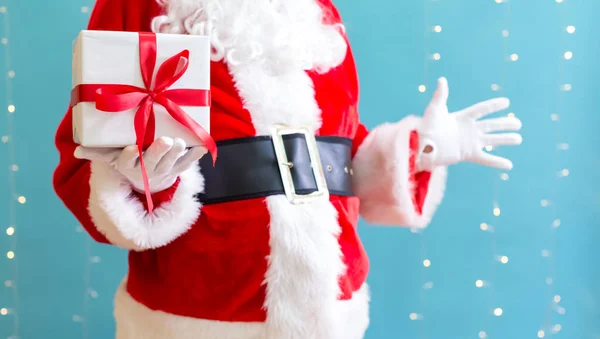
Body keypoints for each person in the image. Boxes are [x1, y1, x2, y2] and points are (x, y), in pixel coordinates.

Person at [52, 0, 523, 338]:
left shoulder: (318, 13)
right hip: (203, 307)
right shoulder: (136, 5)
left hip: (330, 303)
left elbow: (340, 148)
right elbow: (90, 147)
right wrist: (139, 181)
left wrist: (421, 149)